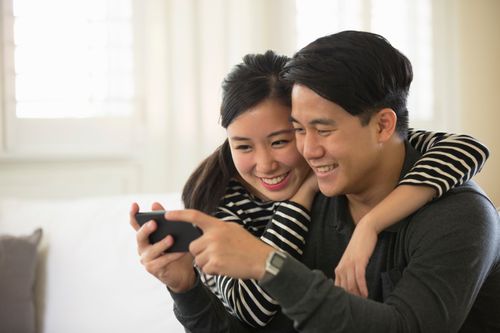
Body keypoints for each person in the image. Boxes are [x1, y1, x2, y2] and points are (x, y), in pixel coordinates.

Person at [130, 43, 496, 332]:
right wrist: (186, 287)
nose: (308, 150)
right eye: (299, 131)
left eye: (321, 130)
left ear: (383, 126)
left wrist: (267, 262)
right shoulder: (312, 202)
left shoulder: (460, 216)